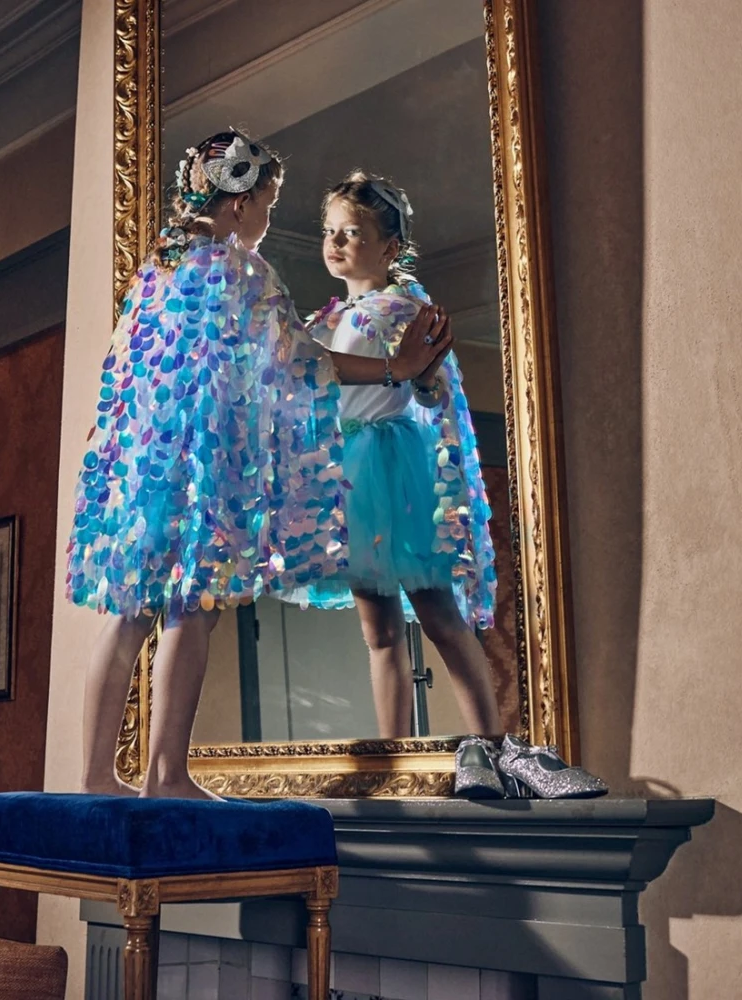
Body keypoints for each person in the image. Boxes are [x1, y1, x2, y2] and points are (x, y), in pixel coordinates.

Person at [68, 135, 454, 799]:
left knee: (130, 611)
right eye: (268, 205)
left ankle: (95, 777)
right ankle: (166, 774)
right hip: (206, 461)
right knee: (195, 607)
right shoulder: (242, 271)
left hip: (146, 460)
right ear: (241, 202)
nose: (268, 220)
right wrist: (398, 368)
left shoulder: (158, 266)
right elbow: (304, 359)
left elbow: (122, 369)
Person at [292, 171, 500, 740]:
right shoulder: (325, 320)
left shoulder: (404, 307)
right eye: (329, 231)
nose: (335, 242)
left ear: (389, 248)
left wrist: (424, 379)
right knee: (378, 629)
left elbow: (432, 394)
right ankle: (393, 750)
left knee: (439, 614)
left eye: (351, 232)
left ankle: (492, 742)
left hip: (390, 466)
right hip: (347, 474)